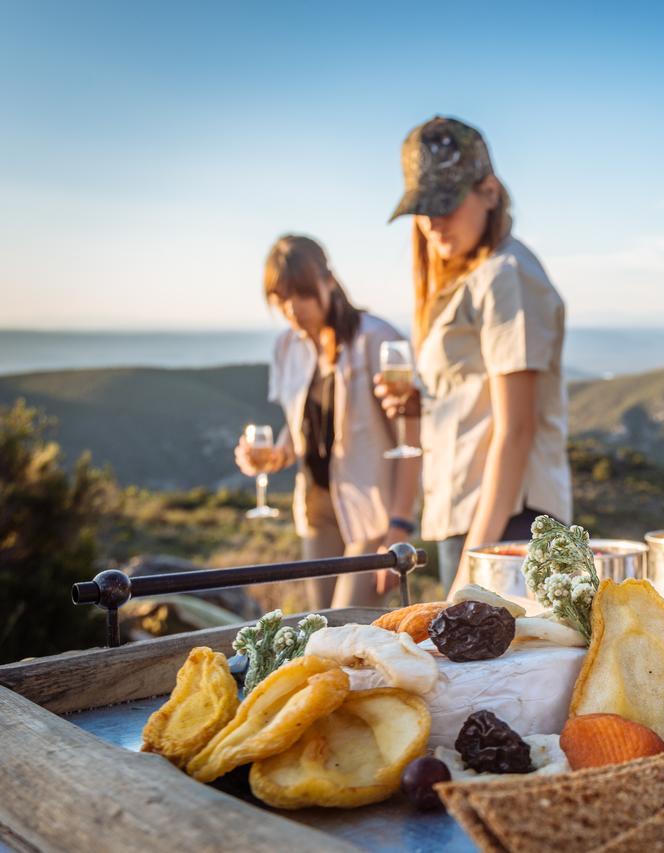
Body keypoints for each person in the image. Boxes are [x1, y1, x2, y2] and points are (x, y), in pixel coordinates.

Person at [378, 116, 572, 594]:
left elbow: (516, 429)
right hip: (471, 511)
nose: (432, 222)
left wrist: (475, 566)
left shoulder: (507, 275)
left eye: (444, 203)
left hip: (505, 523)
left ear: (489, 191)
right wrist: (422, 406)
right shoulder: (476, 275)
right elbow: (476, 399)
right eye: (422, 208)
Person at [235, 235, 422, 609]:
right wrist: (271, 456)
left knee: (349, 624)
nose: (291, 308)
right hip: (316, 508)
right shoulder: (287, 347)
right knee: (319, 625)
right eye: (279, 297)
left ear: (329, 281)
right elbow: (301, 428)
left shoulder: (375, 338)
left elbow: (412, 436)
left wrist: (399, 526)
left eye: (301, 293)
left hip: (371, 515)